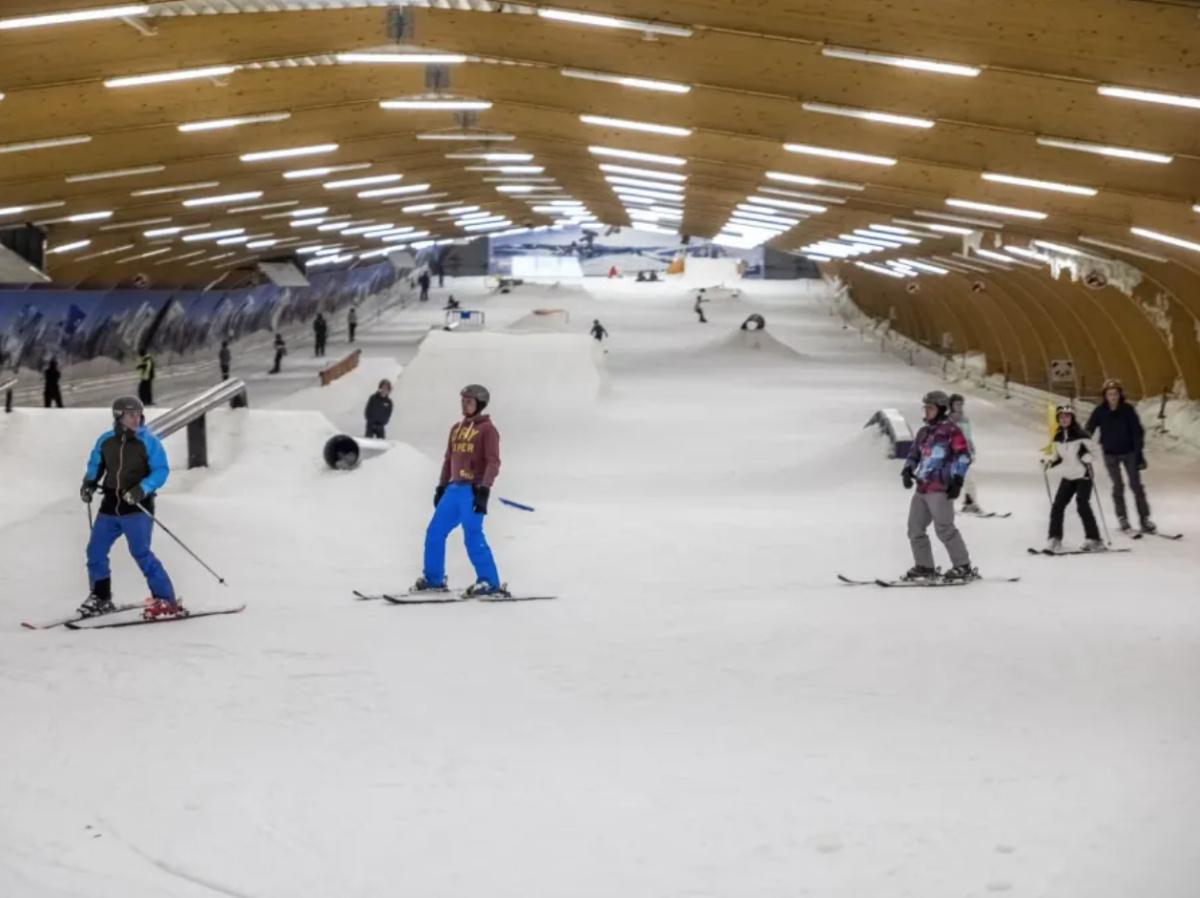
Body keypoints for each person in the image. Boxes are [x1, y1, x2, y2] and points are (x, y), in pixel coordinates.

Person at [79, 396, 182, 620]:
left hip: (137, 507)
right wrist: (88, 483)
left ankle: (166, 599)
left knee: (141, 553)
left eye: (138, 414)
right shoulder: (106, 441)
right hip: (110, 506)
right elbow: (96, 464)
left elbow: (160, 471)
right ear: (119, 417)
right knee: (95, 551)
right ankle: (101, 597)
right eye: (131, 415)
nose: (136, 419)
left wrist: (141, 489)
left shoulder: (149, 442)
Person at [413, 384, 504, 597]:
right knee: (434, 532)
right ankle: (433, 579)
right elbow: (448, 459)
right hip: (453, 489)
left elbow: (493, 462)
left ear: (480, 404)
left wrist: (484, 490)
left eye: (469, 401)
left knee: (472, 535)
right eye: (462, 400)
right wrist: (441, 486)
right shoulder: (456, 428)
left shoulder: (487, 430)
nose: (464, 405)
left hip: (472, 490)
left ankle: (489, 582)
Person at [900, 390, 976, 582]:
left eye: (930, 408)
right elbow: (914, 454)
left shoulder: (951, 431)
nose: (926, 411)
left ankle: (963, 566)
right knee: (915, 529)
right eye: (925, 407)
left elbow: (964, 456)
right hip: (922, 488)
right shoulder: (924, 432)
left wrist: (957, 479)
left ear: (941, 409)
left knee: (944, 528)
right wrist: (908, 470)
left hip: (940, 488)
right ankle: (924, 566)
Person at [1085, 378, 1154, 533]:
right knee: (1118, 486)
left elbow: (1137, 432)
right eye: (1109, 394)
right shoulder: (1100, 411)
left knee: (1136, 486)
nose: (1113, 397)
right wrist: (1083, 444)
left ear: (1119, 394)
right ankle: (1122, 518)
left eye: (1115, 394)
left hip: (1129, 452)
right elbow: (1089, 428)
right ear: (1105, 396)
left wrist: (1139, 455)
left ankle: (1144, 519)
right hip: (1110, 454)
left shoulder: (1128, 410)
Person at [1042, 406, 1104, 553]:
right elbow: (1058, 457)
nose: (1064, 419)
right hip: (1068, 475)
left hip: (1083, 475)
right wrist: (1049, 462)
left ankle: (1094, 539)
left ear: (1072, 418)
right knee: (1057, 506)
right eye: (1061, 417)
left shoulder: (1082, 435)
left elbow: (1095, 452)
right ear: (1058, 419)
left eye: (1067, 416)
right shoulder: (1057, 437)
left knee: (1082, 505)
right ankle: (1054, 538)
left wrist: (1087, 457)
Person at [948, 393, 982, 514]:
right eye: (957, 404)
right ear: (951, 405)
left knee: (969, 479)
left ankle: (970, 503)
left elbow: (967, 436)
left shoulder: (965, 419)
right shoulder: (948, 420)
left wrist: (971, 447)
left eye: (961, 404)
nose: (960, 407)